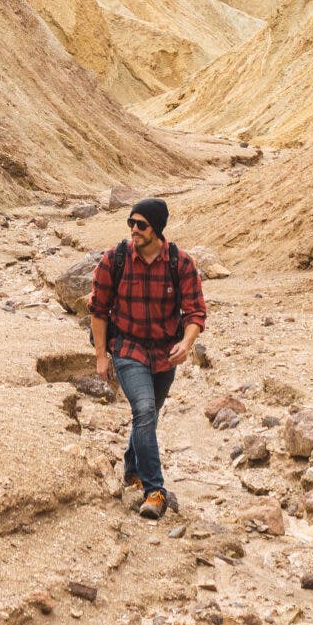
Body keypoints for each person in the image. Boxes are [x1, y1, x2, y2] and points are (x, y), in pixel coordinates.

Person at [88, 196, 206, 520]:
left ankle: (131, 468)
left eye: (141, 224)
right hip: (128, 349)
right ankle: (155, 491)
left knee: (148, 417)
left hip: (166, 354)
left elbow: (196, 312)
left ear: (157, 228)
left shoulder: (180, 263)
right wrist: (101, 357)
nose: (134, 230)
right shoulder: (115, 259)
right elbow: (98, 310)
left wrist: (187, 343)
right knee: (143, 409)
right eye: (131, 223)